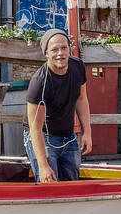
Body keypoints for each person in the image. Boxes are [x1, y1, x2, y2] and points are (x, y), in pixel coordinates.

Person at [23, 28, 92, 182]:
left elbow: (81, 99)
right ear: (46, 53)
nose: (60, 53)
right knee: (49, 184)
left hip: (68, 136)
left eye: (63, 48)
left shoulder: (78, 66)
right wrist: (43, 165)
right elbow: (35, 128)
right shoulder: (39, 82)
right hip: (43, 136)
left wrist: (87, 132)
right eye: (54, 49)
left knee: (73, 184)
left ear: (69, 49)